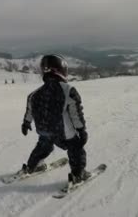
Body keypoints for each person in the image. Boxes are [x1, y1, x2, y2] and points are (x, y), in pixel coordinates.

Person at [20, 54, 91, 184]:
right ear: (60, 70)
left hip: (43, 130)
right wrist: (81, 130)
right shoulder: (68, 90)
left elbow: (29, 110)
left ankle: (33, 166)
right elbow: (76, 113)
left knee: (43, 147)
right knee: (76, 149)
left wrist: (26, 123)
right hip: (62, 132)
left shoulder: (34, 94)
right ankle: (78, 174)